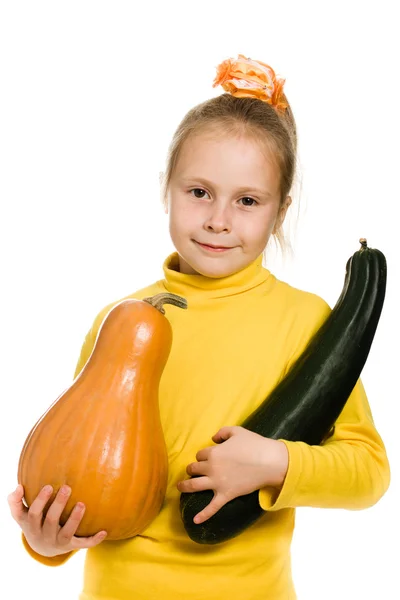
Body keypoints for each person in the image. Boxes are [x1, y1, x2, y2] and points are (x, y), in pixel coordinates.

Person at [7, 54, 390, 600]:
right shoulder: (119, 321)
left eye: (248, 201)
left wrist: (275, 462)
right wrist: (46, 544)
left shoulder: (306, 322)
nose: (218, 219)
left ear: (280, 213)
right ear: (168, 188)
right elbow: (79, 473)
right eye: (199, 192)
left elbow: (369, 473)